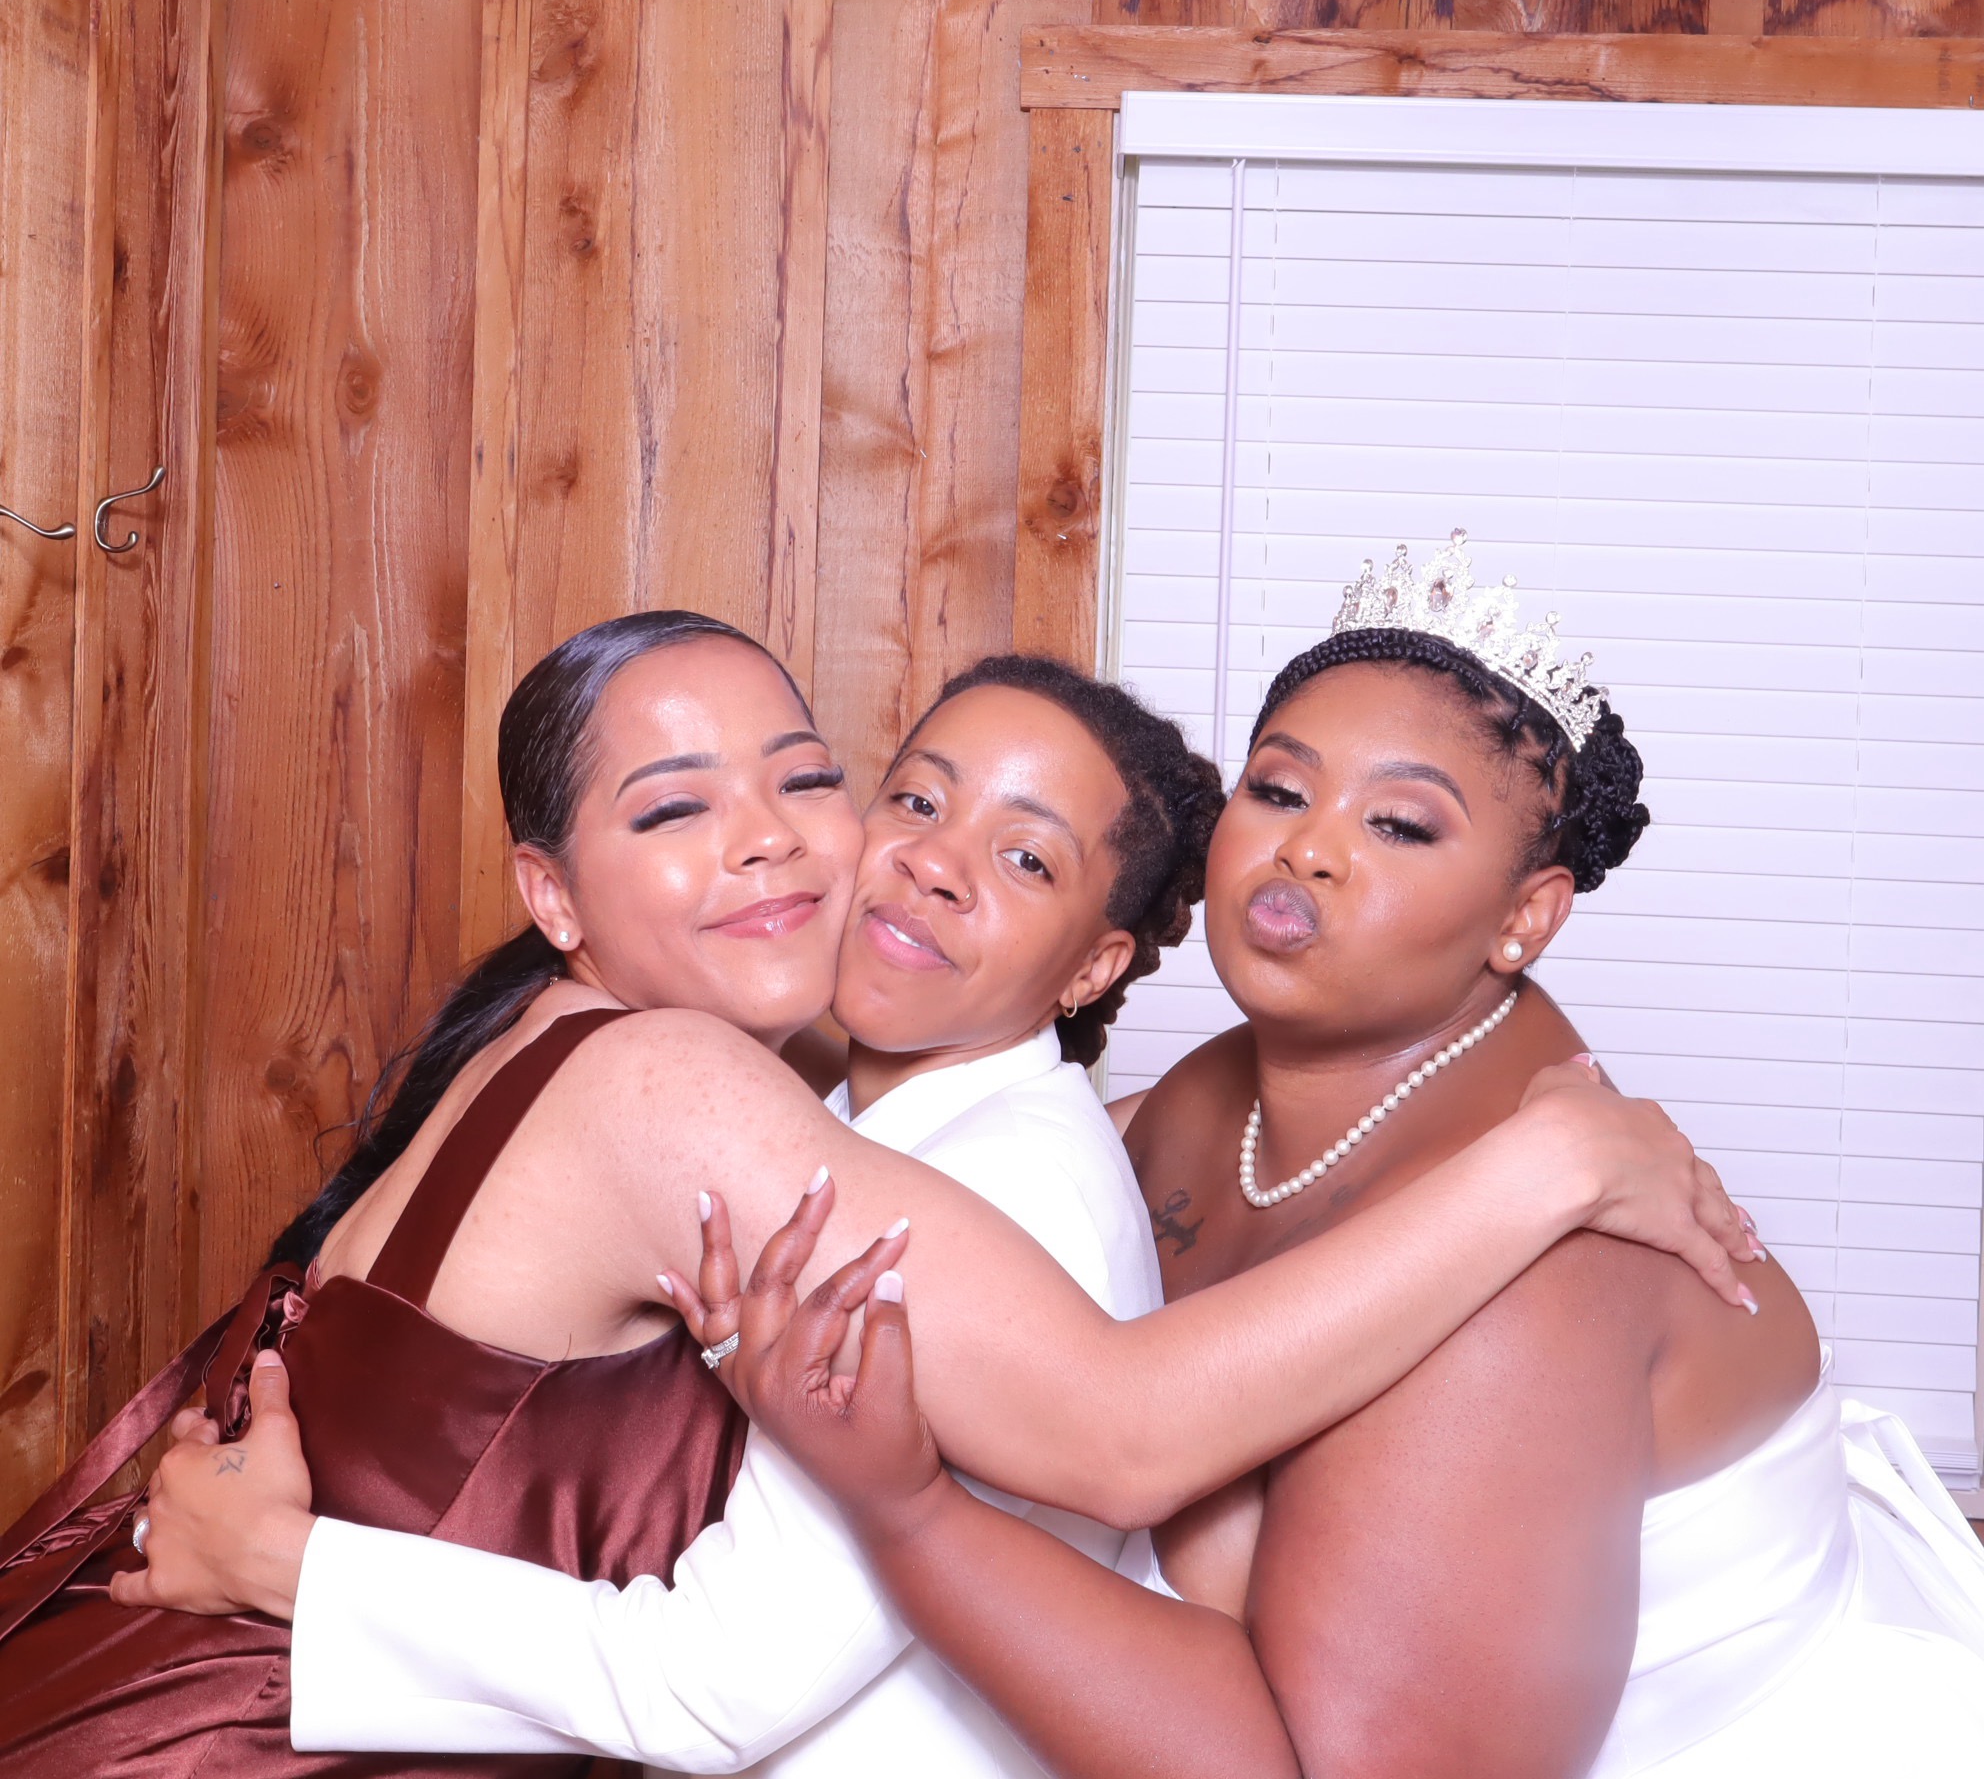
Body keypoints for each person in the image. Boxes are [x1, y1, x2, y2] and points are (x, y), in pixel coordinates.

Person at [1, 610, 1751, 1777]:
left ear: (1097, 958)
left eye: (801, 784)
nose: (815, 844)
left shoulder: (685, 1077)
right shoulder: (747, 1096)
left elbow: (1110, 1441)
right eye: (903, 794)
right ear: (552, 890)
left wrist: (1554, 1155)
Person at [695, 534, 1984, 1779]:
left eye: (1402, 827)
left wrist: (906, 1508)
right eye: (1281, 789)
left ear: (1524, 918)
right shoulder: (1209, 1096)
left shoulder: (1531, 1283)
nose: (1310, 846)